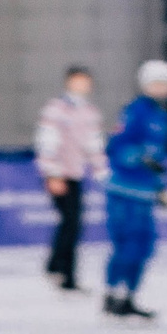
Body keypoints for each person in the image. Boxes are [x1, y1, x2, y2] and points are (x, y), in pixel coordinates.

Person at [102, 58, 167, 321]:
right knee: (126, 243)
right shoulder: (134, 112)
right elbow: (115, 147)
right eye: (157, 82)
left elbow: (159, 160)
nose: (162, 88)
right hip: (124, 191)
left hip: (145, 193)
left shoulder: (163, 118)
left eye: (166, 83)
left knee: (145, 245)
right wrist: (136, 157)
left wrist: (160, 188)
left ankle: (129, 297)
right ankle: (111, 295)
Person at [33, 65, 106, 292]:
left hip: (75, 173)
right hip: (58, 174)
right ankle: (62, 271)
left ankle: (59, 268)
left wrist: (101, 170)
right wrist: (52, 173)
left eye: (86, 81)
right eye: (78, 81)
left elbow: (93, 145)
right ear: (69, 82)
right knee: (70, 222)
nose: (82, 85)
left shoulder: (90, 112)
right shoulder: (56, 110)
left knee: (72, 224)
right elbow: (47, 141)